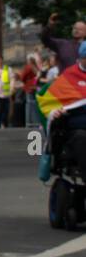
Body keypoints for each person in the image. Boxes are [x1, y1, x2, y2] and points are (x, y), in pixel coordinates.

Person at [46, 41, 86, 171]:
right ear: (81, 58)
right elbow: (50, 101)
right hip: (76, 128)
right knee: (81, 138)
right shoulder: (69, 75)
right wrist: (55, 111)